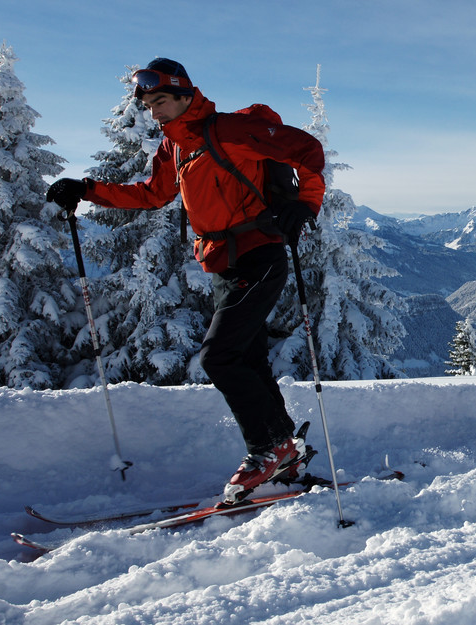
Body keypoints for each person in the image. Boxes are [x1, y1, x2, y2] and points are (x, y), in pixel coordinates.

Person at [46, 58, 326, 503]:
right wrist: (86, 189)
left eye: (160, 101)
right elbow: (153, 194)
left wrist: (307, 204)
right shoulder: (174, 146)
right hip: (221, 263)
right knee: (246, 358)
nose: (153, 111)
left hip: (259, 253)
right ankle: (285, 447)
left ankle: (266, 451)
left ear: (184, 95)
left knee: (219, 356)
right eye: (148, 104)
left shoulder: (229, 130)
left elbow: (308, 150)